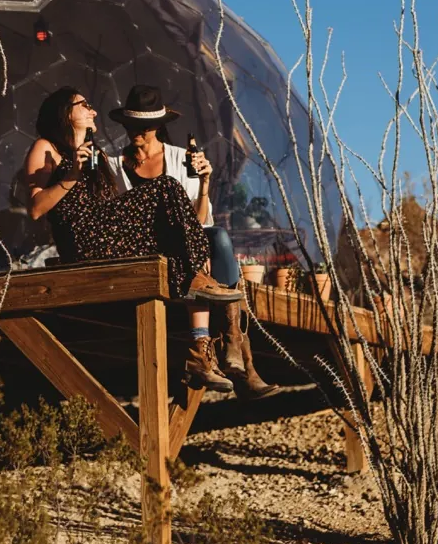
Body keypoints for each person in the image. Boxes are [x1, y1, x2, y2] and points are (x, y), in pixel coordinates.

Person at [23, 86, 242, 391]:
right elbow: (35, 208)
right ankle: (200, 291)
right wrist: (72, 172)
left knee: (174, 216)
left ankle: (201, 351)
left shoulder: (95, 153)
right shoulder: (46, 148)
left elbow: (108, 204)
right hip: (81, 242)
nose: (93, 110)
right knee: (166, 187)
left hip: (105, 236)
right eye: (84, 105)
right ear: (65, 112)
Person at [103, 85, 280, 400]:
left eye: (143, 127)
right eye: (131, 125)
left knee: (220, 237)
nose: (136, 133)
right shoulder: (117, 165)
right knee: (204, 250)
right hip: (145, 245)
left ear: (157, 126)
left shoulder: (179, 158)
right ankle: (238, 358)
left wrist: (204, 184)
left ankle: (226, 347)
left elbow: (200, 222)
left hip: (187, 237)